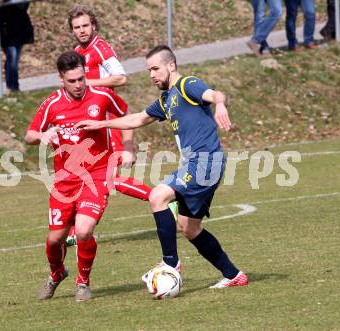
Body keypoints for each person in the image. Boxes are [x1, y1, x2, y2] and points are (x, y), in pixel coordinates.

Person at [76, 45, 249, 289]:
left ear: (171, 65)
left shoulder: (188, 85)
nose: (152, 75)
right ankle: (233, 275)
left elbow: (216, 94)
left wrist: (220, 104)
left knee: (158, 196)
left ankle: (171, 263)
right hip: (195, 164)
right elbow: (138, 119)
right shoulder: (167, 99)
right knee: (189, 227)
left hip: (206, 162)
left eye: (155, 68)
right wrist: (98, 124)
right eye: (149, 70)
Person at [25, 51, 133, 302]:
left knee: (83, 231)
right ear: (61, 78)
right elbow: (29, 134)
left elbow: (126, 117)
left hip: (97, 174)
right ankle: (56, 273)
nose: (78, 85)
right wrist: (42, 136)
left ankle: (83, 283)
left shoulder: (103, 96)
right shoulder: (52, 103)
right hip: (64, 180)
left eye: (81, 79)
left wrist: (126, 147)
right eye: (72, 80)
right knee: (55, 239)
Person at [65, 5, 157, 246]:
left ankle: (161, 199)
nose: (82, 30)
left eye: (85, 25)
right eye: (77, 27)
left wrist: (128, 144)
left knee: (107, 178)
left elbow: (121, 77)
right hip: (93, 124)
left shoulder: (100, 48)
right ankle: (77, 228)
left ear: (94, 25)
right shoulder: (78, 51)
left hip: (108, 123)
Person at [0, 0, 34, 92]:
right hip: (6, 30)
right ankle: (13, 86)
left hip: (19, 29)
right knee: (12, 57)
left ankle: (13, 85)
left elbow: (22, 5)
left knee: (13, 59)